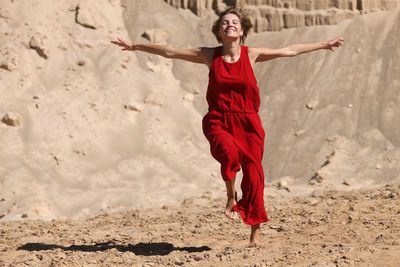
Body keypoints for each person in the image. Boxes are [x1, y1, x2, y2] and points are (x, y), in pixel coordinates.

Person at [111, 8, 344, 245]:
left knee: (254, 176)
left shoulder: (251, 54)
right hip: (219, 119)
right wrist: (136, 46)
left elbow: (291, 50)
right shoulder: (209, 55)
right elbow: (171, 51)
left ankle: (255, 231)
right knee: (230, 154)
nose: (230, 25)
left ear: (242, 30)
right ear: (218, 31)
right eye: (224, 23)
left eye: (235, 22)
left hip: (248, 122)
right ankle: (231, 196)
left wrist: (324, 44)